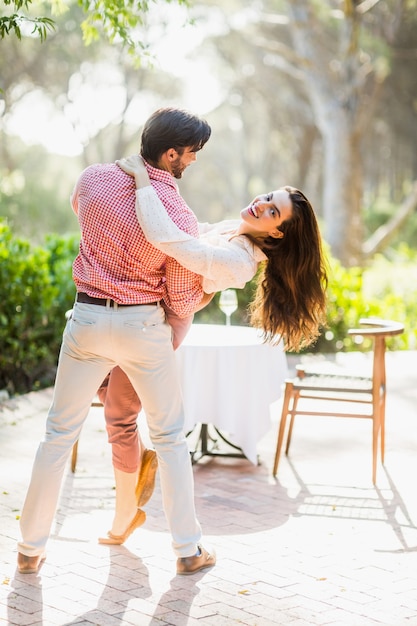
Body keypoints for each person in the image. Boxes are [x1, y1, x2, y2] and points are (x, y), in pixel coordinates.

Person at [16, 107, 216, 577]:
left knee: (56, 436)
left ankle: (29, 550)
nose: (191, 162)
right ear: (170, 153)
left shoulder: (92, 178)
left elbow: (80, 210)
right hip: (142, 327)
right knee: (169, 438)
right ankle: (188, 550)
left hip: (85, 318)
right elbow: (182, 296)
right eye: (190, 154)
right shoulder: (177, 214)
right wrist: (210, 283)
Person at [99, 154, 328, 537]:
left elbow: (170, 239)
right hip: (140, 315)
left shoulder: (239, 260)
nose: (260, 203)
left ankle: (128, 515)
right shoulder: (231, 230)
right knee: (105, 390)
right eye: (268, 196)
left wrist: (143, 180)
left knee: (120, 416)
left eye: (272, 211)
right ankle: (138, 471)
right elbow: (187, 227)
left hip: (156, 326)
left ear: (276, 234)